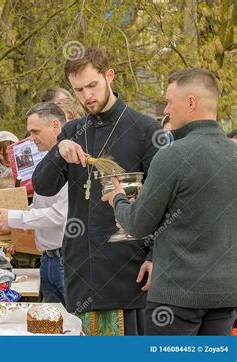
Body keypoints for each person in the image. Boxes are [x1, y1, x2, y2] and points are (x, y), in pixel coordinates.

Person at [32, 47, 163, 335]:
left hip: (128, 268)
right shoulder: (72, 131)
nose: (87, 95)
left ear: (109, 76)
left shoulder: (144, 130)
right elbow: (42, 186)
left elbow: (162, 201)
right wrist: (58, 150)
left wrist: (156, 256)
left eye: (92, 85)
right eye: (79, 90)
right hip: (81, 267)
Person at [102, 68, 237, 335]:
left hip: (177, 298)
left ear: (190, 103)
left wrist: (117, 199)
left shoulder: (172, 157)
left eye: (169, 101)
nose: (165, 109)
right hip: (224, 294)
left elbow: (138, 224)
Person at [0, 102, 68, 305]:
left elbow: (60, 214)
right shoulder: (49, 160)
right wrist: (10, 218)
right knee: (52, 326)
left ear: (56, 125)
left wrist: (13, 217)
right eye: (29, 132)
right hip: (48, 259)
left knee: (73, 325)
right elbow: (40, 208)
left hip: (65, 260)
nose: (31, 138)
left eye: (35, 131)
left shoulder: (69, 159)